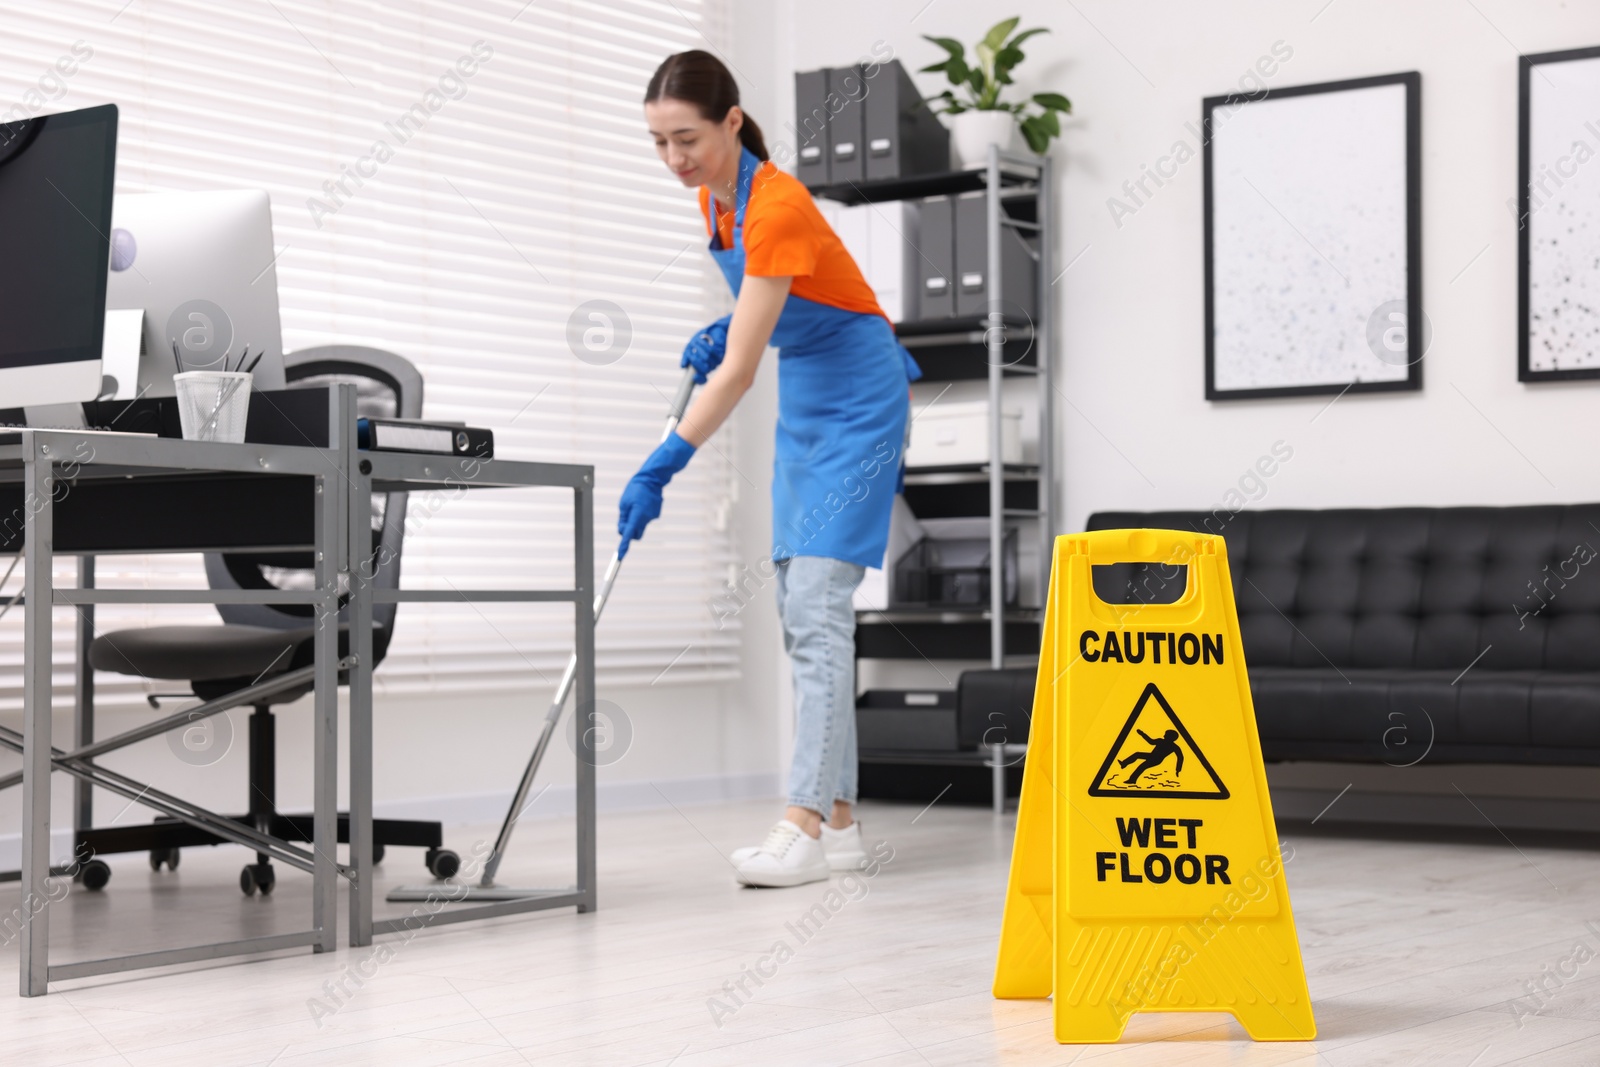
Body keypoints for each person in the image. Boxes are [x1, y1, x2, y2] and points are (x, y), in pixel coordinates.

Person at [621, 50, 921, 888]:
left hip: (860, 397)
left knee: (819, 608)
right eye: (658, 143)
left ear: (733, 122)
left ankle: (802, 826)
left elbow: (741, 371)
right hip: (811, 396)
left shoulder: (777, 202)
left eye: (687, 138)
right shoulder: (718, 205)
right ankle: (845, 820)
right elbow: (770, 307)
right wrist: (726, 328)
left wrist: (664, 460)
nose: (675, 159)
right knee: (800, 607)